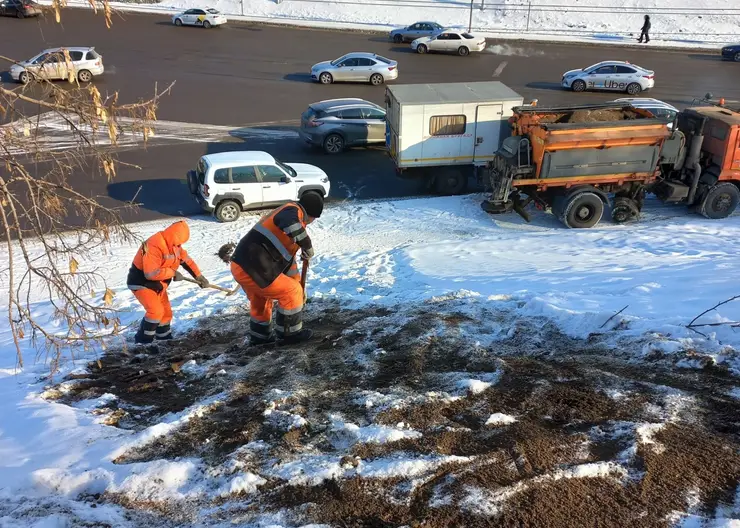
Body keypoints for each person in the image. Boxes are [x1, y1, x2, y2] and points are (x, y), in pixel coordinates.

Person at [229, 193, 323, 345]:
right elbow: (288, 221)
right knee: (291, 292)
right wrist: (307, 246)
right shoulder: (291, 211)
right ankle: (289, 334)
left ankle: (260, 337)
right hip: (256, 268)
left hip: (242, 266)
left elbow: (289, 267)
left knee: (262, 299)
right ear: (312, 215)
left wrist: (299, 287)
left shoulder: (289, 230)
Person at [127, 220, 209, 344]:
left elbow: (187, 261)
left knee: (166, 313)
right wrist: (173, 273)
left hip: (159, 284)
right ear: (174, 236)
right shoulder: (154, 245)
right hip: (142, 283)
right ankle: (143, 342)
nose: (180, 245)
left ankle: (164, 339)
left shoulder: (175, 246)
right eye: (179, 242)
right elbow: (150, 273)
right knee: (156, 312)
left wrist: (199, 276)